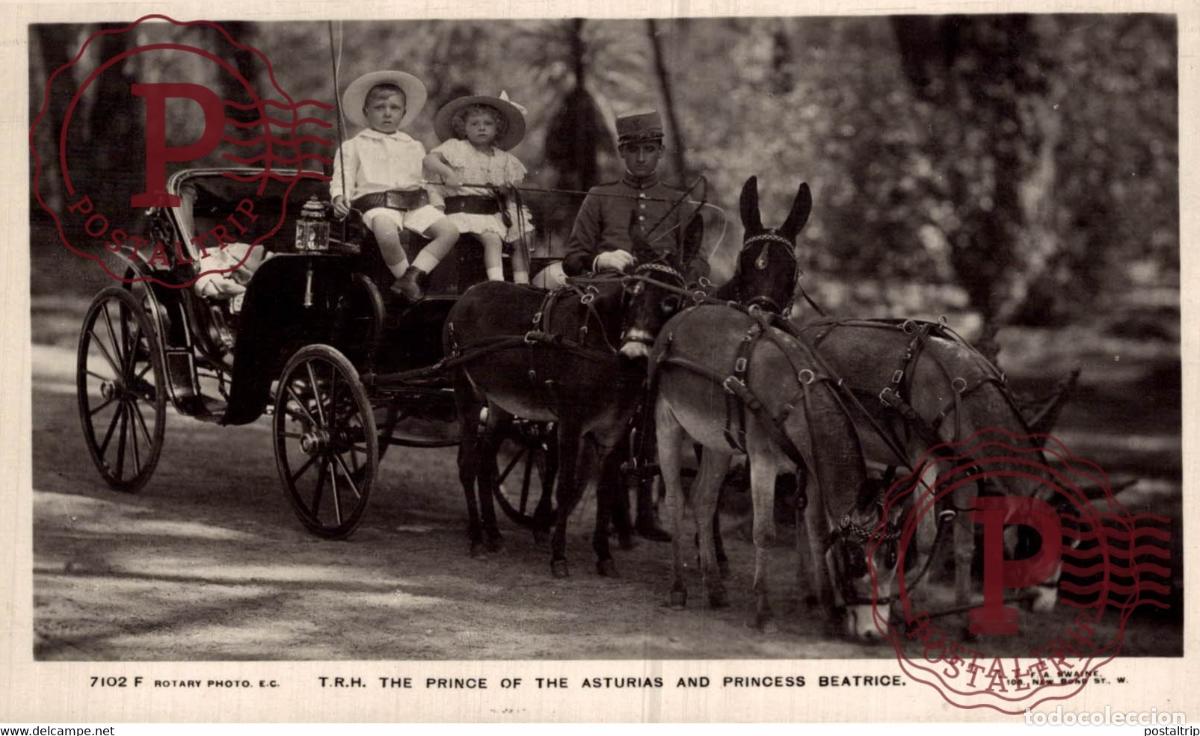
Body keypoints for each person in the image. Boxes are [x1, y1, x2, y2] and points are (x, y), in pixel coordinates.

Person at [563, 109, 705, 542]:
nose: (641, 159)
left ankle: (647, 509)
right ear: (622, 153)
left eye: (649, 150)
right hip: (609, 302)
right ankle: (609, 504)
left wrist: (692, 277)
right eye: (633, 151)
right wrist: (601, 259)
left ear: (660, 152)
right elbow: (572, 258)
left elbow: (697, 258)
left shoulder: (680, 202)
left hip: (662, 303)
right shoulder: (600, 196)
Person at [330, 70, 460, 301]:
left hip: (414, 205)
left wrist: (435, 201)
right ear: (366, 112)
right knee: (386, 231)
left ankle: (412, 276)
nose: (387, 113)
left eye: (394, 108)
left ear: (404, 113)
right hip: (378, 205)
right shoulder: (354, 146)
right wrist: (340, 197)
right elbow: (343, 177)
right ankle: (405, 281)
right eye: (380, 108)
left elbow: (423, 181)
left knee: (449, 231)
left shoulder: (414, 145)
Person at [425, 91, 534, 284]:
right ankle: (496, 284)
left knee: (523, 238)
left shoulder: (505, 159)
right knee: (492, 239)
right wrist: (448, 173)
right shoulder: (456, 148)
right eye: (474, 124)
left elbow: (512, 187)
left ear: (497, 128)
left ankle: (522, 284)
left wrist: (505, 189)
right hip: (465, 212)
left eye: (488, 124)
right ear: (464, 128)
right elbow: (429, 160)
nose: (481, 128)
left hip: (496, 214)